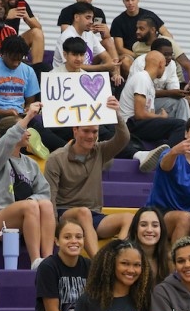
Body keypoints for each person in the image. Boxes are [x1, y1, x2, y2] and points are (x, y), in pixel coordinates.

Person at [45, 96, 134, 258]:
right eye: (86, 131)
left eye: (94, 132)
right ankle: (98, 263)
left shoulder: (100, 150)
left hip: (94, 216)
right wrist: (54, 230)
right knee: (83, 213)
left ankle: (118, 257)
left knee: (129, 218)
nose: (91, 136)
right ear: (75, 130)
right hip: (66, 213)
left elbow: (123, 139)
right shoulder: (56, 158)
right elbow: (49, 198)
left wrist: (117, 115)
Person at [0, 102, 55, 269]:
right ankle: (35, 261)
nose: (28, 133)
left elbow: (44, 192)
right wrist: (29, 115)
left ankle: (49, 261)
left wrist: (33, 199)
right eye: (24, 129)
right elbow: (9, 138)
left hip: (27, 221)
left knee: (45, 204)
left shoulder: (30, 163)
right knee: (30, 206)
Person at [0, 35, 66, 151]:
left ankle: (68, 152)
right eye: (13, 59)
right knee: (18, 139)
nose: (16, 64)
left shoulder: (28, 70)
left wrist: (28, 109)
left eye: (19, 60)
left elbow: (29, 102)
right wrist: (4, 112)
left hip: (19, 115)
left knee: (49, 137)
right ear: (3, 53)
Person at [31, 220, 91, 311]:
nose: (74, 241)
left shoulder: (89, 266)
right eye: (67, 237)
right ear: (57, 241)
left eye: (78, 237)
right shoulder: (48, 267)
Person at [119, 51, 187, 152]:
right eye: (164, 66)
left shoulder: (149, 83)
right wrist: (161, 117)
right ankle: (166, 156)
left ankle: (164, 152)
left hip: (139, 123)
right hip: (130, 123)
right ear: (160, 64)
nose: (164, 69)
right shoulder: (142, 78)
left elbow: (148, 114)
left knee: (172, 132)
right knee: (181, 125)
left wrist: (161, 119)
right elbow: (140, 114)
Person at [50, 2, 121, 86]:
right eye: (88, 18)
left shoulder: (89, 34)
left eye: (92, 18)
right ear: (76, 17)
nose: (91, 22)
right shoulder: (66, 36)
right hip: (64, 78)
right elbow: (73, 65)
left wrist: (114, 71)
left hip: (84, 75)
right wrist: (103, 67)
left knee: (117, 82)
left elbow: (105, 56)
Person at [130, 38, 190, 122]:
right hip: (138, 106)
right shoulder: (140, 63)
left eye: (171, 54)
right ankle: (182, 131)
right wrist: (169, 93)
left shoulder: (171, 64)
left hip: (155, 102)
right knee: (179, 104)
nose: (169, 58)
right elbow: (143, 95)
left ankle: (182, 131)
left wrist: (183, 92)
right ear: (154, 53)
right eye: (165, 54)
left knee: (182, 102)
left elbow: (173, 90)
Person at [110, 0, 170, 75]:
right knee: (125, 61)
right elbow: (120, 48)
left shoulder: (150, 16)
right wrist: (139, 56)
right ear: (123, 1)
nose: (130, 3)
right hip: (132, 55)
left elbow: (166, 34)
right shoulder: (118, 21)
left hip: (152, 52)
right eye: (127, 0)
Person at [131, 17, 190, 86]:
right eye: (137, 28)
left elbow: (189, 67)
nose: (137, 31)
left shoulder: (167, 43)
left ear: (152, 30)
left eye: (141, 29)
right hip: (151, 85)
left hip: (176, 84)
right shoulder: (136, 47)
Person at [0, 0, 44, 66]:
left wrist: (27, 18)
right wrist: (5, 16)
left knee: (37, 33)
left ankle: (37, 70)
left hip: (13, 43)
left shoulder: (20, 3)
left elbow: (38, 28)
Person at [128, 206, 170, 286]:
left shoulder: (169, 261)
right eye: (143, 225)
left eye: (155, 225)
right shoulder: (124, 258)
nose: (149, 230)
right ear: (135, 229)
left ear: (161, 229)